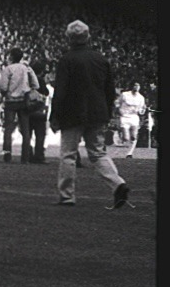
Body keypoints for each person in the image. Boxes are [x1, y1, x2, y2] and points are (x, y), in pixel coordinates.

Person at [50, 20, 130, 208]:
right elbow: (110, 90)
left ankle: (67, 196)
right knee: (98, 153)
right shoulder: (101, 59)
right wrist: (107, 111)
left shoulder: (66, 60)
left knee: (68, 154)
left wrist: (54, 116)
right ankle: (118, 183)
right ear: (88, 37)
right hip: (97, 113)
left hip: (72, 114)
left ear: (69, 38)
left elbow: (60, 92)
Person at [0, 48, 40, 163]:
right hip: (24, 100)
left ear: (11, 57)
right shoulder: (26, 68)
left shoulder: (8, 69)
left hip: (11, 101)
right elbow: (36, 84)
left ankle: (7, 154)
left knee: (8, 129)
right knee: (25, 130)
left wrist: (5, 94)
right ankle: (25, 157)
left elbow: (3, 87)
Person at [115, 82, 147, 158]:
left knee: (134, 136)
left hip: (134, 117)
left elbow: (141, 110)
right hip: (124, 117)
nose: (137, 87)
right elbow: (117, 103)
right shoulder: (125, 94)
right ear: (132, 86)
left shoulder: (141, 98)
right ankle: (122, 137)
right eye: (135, 85)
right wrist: (118, 110)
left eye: (138, 86)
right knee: (126, 138)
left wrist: (142, 111)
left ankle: (129, 153)